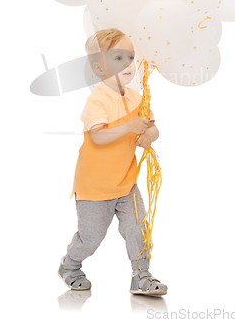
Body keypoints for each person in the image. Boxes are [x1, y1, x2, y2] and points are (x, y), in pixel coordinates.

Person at [58, 28, 167, 297]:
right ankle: (70, 265)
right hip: (95, 186)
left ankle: (141, 275)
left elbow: (154, 128)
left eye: (130, 57)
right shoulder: (97, 100)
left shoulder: (136, 98)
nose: (128, 64)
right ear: (98, 67)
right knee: (91, 237)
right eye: (118, 58)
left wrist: (148, 136)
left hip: (126, 182)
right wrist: (129, 126)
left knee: (138, 230)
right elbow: (98, 136)